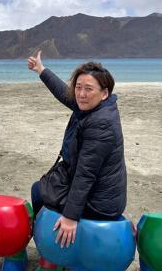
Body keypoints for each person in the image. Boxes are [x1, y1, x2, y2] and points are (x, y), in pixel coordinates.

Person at [28, 51, 127, 256]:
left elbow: (85, 174)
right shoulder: (93, 107)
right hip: (98, 190)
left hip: (100, 203)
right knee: (44, 186)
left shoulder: (101, 124)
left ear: (105, 92)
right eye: (79, 87)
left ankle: (46, 246)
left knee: (39, 190)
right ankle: (45, 239)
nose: (81, 94)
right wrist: (41, 70)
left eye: (88, 89)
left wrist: (71, 217)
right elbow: (64, 93)